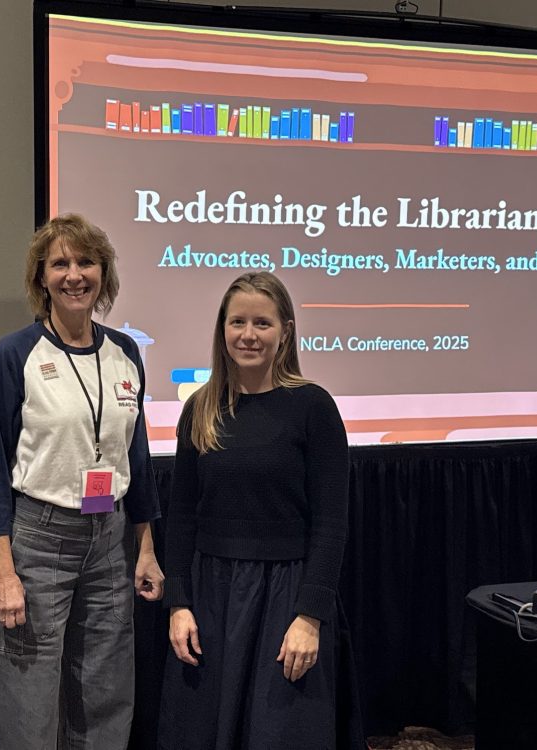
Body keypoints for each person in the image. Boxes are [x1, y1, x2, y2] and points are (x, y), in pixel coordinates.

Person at [0, 213, 164, 749]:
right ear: (41, 278)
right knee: (26, 694)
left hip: (110, 537)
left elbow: (136, 459)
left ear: (104, 274)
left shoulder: (125, 353)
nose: (74, 274)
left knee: (104, 689)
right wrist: (3, 573)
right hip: (37, 538)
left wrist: (145, 550)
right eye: (60, 263)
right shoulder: (16, 354)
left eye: (86, 262)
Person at [158, 272, 365, 750]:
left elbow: (331, 524)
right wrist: (179, 603)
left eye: (262, 323)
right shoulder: (200, 409)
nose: (248, 334)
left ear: (285, 332)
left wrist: (309, 616)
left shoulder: (314, 407)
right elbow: (183, 516)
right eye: (238, 322)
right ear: (222, 329)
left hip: (287, 596)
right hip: (212, 595)